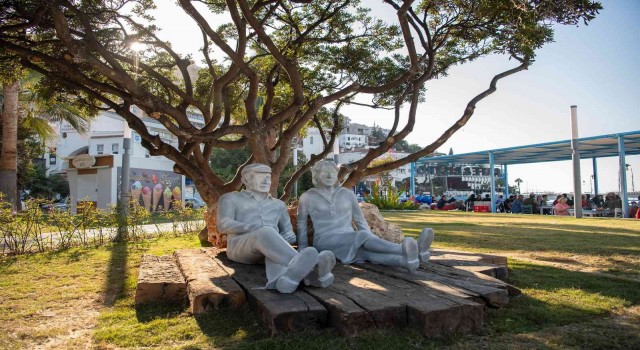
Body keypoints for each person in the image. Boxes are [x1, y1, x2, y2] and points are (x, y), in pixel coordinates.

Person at [217, 163, 336, 293]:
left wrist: (288, 236)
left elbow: (288, 231)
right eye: (260, 177)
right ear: (245, 180)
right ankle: (313, 270)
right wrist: (254, 227)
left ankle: (287, 280)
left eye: (268, 177)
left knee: (271, 244)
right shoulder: (231, 198)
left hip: (270, 249)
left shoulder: (278, 205)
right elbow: (223, 224)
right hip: (240, 248)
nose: (266, 181)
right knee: (266, 232)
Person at [297, 161, 434, 273]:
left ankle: (406, 262)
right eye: (325, 173)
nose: (329, 176)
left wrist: (370, 240)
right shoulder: (308, 197)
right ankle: (411, 248)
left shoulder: (347, 194)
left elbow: (359, 219)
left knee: (367, 253)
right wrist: (302, 249)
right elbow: (301, 224)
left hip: (350, 236)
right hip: (325, 241)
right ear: (316, 176)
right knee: (361, 236)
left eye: (333, 173)